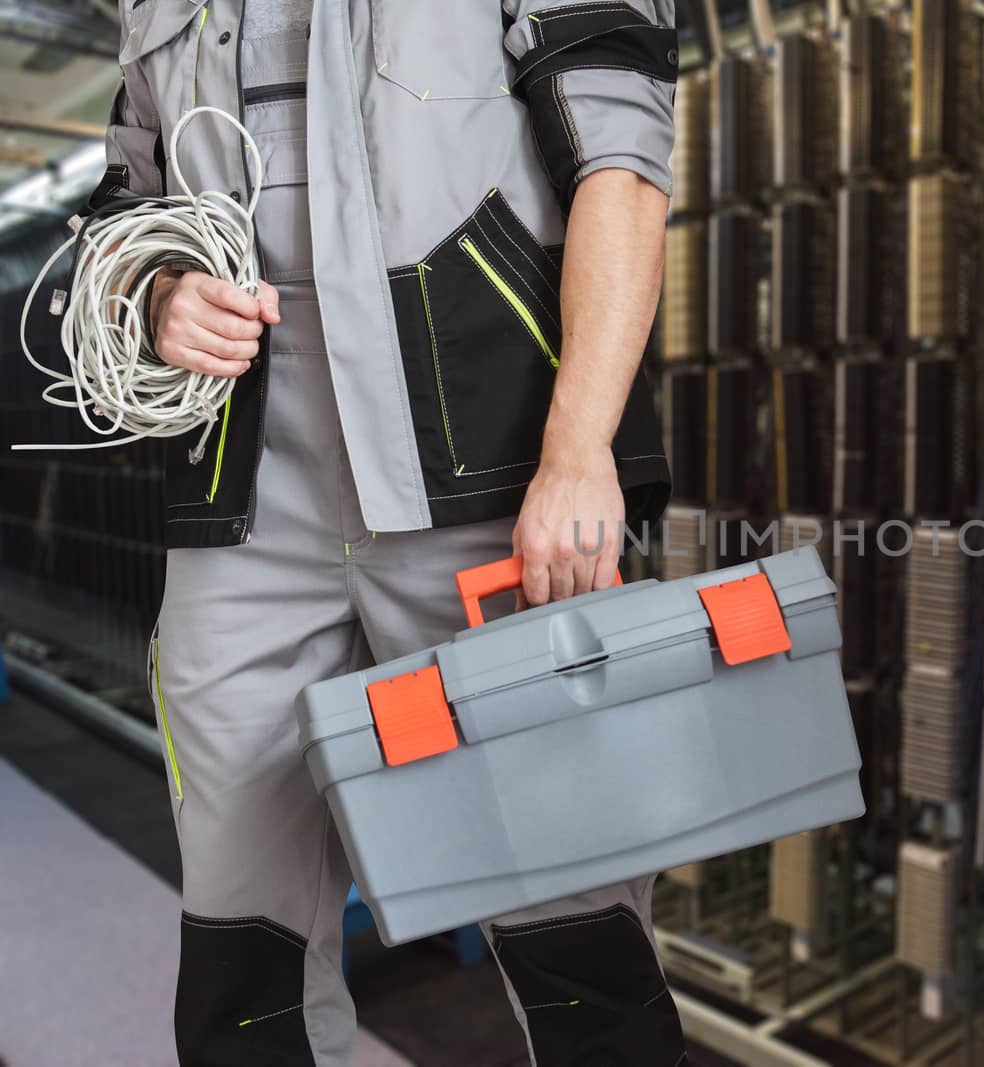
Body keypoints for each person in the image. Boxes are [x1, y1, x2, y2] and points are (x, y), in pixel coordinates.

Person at [94, 1, 681, 1062]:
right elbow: (125, 205)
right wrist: (162, 294)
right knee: (241, 946)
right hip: (245, 512)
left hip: (490, 494)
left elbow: (623, 161)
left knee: (575, 932)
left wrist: (580, 447)